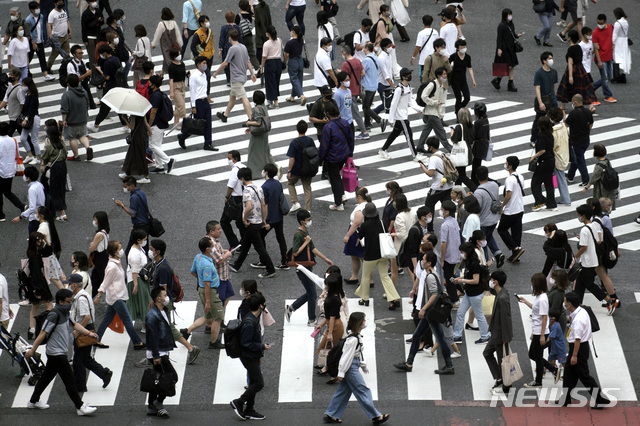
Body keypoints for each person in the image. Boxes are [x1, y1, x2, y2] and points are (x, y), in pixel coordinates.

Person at [25, 289, 98, 416]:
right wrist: (32, 350)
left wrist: (89, 333)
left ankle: (33, 401)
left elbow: (75, 325)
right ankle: (80, 406)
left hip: (59, 352)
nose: (70, 304)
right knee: (69, 380)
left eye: (71, 301)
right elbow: (43, 333)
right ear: (60, 302)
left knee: (46, 377)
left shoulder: (65, 312)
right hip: (56, 353)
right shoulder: (54, 315)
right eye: (68, 302)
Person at [394, 251, 455, 375]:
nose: (422, 261)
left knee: (440, 339)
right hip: (430, 312)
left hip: (431, 312)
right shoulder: (431, 274)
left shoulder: (431, 276)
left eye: (424, 259)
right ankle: (409, 363)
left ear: (429, 263)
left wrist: (423, 309)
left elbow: (434, 294)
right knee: (418, 336)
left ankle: (449, 366)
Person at [324, 312, 389, 424]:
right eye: (363, 320)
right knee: (363, 390)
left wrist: (363, 365)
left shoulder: (355, 336)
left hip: (352, 365)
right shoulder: (353, 339)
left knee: (343, 392)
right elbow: (346, 357)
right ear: (359, 323)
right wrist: (341, 372)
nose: (365, 322)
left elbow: (358, 354)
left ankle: (331, 414)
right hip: (350, 368)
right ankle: (375, 416)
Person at [557, 291, 611, 408]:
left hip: (578, 349)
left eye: (565, 302)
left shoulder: (578, 320)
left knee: (584, 376)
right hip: (580, 347)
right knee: (568, 374)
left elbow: (577, 340)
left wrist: (574, 355)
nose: (564, 304)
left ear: (570, 304)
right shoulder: (581, 311)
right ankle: (565, 399)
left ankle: (600, 399)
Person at [94, 240, 146, 349]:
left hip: (116, 296)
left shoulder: (116, 262)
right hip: (116, 297)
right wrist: (99, 295)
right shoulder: (112, 267)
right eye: (119, 249)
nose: (122, 250)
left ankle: (96, 339)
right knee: (127, 320)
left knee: (106, 320)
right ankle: (137, 342)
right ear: (114, 252)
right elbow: (105, 282)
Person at [286, 209, 334, 326]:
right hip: (302, 268)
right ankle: (311, 319)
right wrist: (306, 242)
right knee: (312, 293)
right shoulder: (299, 235)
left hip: (307, 268)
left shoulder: (305, 232)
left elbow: (313, 248)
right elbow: (296, 252)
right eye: (308, 220)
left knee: (310, 293)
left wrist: (325, 259)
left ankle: (292, 308)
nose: (310, 222)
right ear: (302, 222)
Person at [229, 167, 277, 278]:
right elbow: (264, 204)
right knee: (245, 244)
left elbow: (249, 206)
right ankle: (237, 265)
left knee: (259, 248)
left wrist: (244, 218)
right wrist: (264, 219)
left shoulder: (246, 190)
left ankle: (270, 269)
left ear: (242, 178)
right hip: (259, 221)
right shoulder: (259, 188)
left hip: (251, 223)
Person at [516, 273, 561, 388]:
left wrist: (542, 336)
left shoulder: (542, 299)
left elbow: (544, 317)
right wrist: (525, 302)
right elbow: (537, 310)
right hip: (537, 331)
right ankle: (553, 370)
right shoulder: (539, 297)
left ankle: (538, 381)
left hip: (540, 332)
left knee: (537, 356)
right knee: (533, 354)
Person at [354, 203, 402, 309]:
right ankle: (393, 297)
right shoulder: (382, 222)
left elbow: (360, 236)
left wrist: (358, 229)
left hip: (370, 255)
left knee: (365, 276)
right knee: (385, 276)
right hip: (382, 253)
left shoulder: (365, 225)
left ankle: (365, 299)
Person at [68, 274, 112, 392]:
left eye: (70, 284)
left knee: (78, 361)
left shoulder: (81, 298)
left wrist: (78, 331)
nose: (69, 286)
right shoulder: (83, 295)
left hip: (84, 330)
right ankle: (104, 373)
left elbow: (86, 317)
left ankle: (80, 386)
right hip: (86, 329)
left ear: (75, 285)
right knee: (85, 359)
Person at [181, 237, 226, 349]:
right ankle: (214, 342)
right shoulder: (207, 265)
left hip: (202, 289)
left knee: (208, 316)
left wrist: (200, 278)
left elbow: (192, 272)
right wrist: (208, 302)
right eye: (212, 245)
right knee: (218, 317)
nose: (214, 247)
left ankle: (187, 331)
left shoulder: (198, 257)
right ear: (207, 249)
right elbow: (207, 284)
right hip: (210, 292)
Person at [230, 293, 270, 421]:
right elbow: (246, 343)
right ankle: (239, 402)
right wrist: (262, 347)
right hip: (248, 356)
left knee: (253, 382)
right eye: (264, 303)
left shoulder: (253, 318)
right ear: (260, 306)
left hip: (252, 355)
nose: (265, 305)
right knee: (259, 383)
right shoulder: (250, 322)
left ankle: (249, 410)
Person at [144, 286, 178, 418]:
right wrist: (156, 355)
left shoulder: (163, 311)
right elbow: (151, 337)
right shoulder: (152, 316)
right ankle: (158, 402)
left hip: (162, 350)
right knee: (172, 377)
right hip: (158, 353)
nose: (167, 297)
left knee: (157, 379)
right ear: (158, 299)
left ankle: (151, 406)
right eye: (165, 295)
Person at [378, 68, 422, 161]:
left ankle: (383, 149)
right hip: (400, 117)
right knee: (409, 135)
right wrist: (391, 119)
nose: (410, 76)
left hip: (404, 115)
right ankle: (415, 155)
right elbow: (393, 104)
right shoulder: (399, 89)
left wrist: (419, 109)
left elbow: (411, 101)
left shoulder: (408, 87)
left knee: (394, 134)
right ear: (403, 77)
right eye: (408, 74)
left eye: (410, 74)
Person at [214, 29, 256, 122]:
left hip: (236, 78)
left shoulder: (232, 48)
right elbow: (248, 61)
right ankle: (225, 115)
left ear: (230, 38)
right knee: (232, 98)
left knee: (243, 98)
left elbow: (225, 63)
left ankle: (251, 118)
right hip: (242, 76)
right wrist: (252, 73)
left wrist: (216, 73)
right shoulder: (243, 47)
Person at [451, 241, 489, 344]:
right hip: (469, 293)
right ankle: (457, 335)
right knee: (460, 313)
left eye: (463, 251)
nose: (461, 253)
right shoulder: (469, 262)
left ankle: (485, 336)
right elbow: (469, 276)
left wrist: (461, 281)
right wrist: (459, 278)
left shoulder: (474, 264)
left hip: (475, 294)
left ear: (467, 252)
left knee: (479, 315)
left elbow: (475, 280)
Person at [482, 270, 513, 395]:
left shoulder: (502, 298)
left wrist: (506, 337)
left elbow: (506, 318)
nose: (490, 281)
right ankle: (500, 378)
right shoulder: (500, 293)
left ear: (496, 282)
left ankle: (506, 385)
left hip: (500, 335)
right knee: (488, 354)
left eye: (491, 279)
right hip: (496, 332)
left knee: (503, 360)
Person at [572, 204, 608, 307]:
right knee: (580, 284)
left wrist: (574, 257)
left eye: (578, 215)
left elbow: (584, 247)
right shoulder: (593, 225)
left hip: (587, 262)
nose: (578, 217)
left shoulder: (584, 230)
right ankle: (577, 305)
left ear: (583, 216)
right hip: (593, 260)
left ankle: (610, 301)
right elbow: (598, 240)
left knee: (588, 284)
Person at [320, 102, 354, 211]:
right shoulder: (344, 123)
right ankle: (342, 195)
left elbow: (324, 146)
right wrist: (350, 154)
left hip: (332, 157)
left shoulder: (328, 127)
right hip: (344, 154)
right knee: (337, 177)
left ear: (328, 113)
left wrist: (320, 160)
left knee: (334, 178)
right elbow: (351, 139)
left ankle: (338, 203)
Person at [178, 56, 215, 151]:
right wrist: (193, 106)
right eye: (203, 63)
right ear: (198, 65)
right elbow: (192, 92)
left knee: (208, 124)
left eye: (205, 63)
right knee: (197, 124)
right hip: (198, 103)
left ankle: (208, 144)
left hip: (205, 101)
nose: (205, 65)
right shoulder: (194, 76)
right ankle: (182, 136)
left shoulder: (204, 74)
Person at [419, 137, 454, 233]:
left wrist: (423, 167)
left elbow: (430, 173)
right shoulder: (442, 154)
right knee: (448, 206)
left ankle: (429, 229)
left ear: (430, 147)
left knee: (428, 207)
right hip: (448, 185)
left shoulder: (433, 158)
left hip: (438, 186)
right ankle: (452, 225)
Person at [556, 30, 596, 111]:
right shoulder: (579, 47)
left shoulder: (571, 49)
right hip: (581, 68)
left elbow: (570, 62)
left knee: (565, 87)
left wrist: (570, 76)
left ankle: (562, 107)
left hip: (572, 69)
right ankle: (590, 106)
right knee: (584, 87)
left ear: (569, 38)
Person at [258, 163, 288, 269]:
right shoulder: (277, 183)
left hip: (270, 217)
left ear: (266, 172)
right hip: (279, 215)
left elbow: (264, 205)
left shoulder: (264, 186)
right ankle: (285, 261)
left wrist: (264, 220)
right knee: (281, 238)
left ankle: (263, 260)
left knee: (260, 237)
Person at [498, 156, 526, 262]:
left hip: (511, 210)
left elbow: (508, 195)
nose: (505, 164)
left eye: (506, 163)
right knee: (516, 232)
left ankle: (516, 249)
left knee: (501, 229)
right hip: (519, 208)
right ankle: (516, 254)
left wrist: (502, 206)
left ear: (510, 166)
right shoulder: (520, 176)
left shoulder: (509, 179)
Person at [416, 67, 449, 155]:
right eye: (444, 74)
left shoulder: (441, 84)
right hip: (432, 113)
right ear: (438, 75)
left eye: (446, 74)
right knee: (441, 132)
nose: (445, 76)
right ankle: (450, 149)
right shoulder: (432, 84)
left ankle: (419, 147)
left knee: (426, 130)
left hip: (434, 113)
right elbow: (424, 96)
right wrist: (433, 102)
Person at [115, 176, 151, 255]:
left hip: (140, 226)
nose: (125, 189)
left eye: (126, 187)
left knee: (129, 250)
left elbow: (133, 214)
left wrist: (122, 205)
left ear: (132, 186)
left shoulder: (134, 197)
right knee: (144, 249)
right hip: (145, 224)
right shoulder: (141, 193)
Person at [147, 75, 175, 174]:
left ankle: (168, 160)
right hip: (162, 123)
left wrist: (149, 126)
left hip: (156, 124)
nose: (149, 84)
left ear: (153, 84)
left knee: (152, 145)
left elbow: (153, 112)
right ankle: (159, 166)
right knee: (157, 145)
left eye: (150, 82)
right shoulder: (160, 94)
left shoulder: (156, 96)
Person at [342, 187, 370, 285]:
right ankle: (354, 276)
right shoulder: (369, 205)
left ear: (358, 196)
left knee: (363, 257)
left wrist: (347, 235)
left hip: (357, 233)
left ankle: (369, 280)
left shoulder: (360, 208)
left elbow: (356, 223)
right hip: (363, 232)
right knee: (355, 255)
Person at [339, 48, 368, 140]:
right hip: (357, 88)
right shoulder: (357, 60)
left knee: (354, 111)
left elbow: (343, 77)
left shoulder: (345, 64)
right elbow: (363, 73)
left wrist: (339, 72)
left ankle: (364, 132)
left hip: (349, 90)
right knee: (352, 110)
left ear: (344, 53)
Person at [286, 120, 315, 212]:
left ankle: (295, 203)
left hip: (297, 169)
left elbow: (292, 158)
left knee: (290, 183)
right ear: (306, 129)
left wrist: (289, 171)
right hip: (308, 168)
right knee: (307, 188)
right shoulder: (310, 140)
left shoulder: (294, 142)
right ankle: (308, 209)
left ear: (297, 129)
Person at [61, 74, 92, 162]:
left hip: (72, 120)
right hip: (83, 118)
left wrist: (64, 120)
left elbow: (64, 110)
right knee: (83, 135)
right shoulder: (84, 92)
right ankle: (88, 147)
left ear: (68, 83)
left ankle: (76, 155)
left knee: (72, 138)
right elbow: (87, 104)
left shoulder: (66, 95)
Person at [40, 126, 68, 221]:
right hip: (62, 166)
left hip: (54, 166)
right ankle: (62, 212)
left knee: (53, 188)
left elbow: (45, 157)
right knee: (61, 187)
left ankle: (57, 211)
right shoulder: (61, 143)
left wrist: (43, 165)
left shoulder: (50, 145)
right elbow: (65, 153)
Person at [530, 52, 558, 147]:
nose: (551, 60)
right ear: (544, 61)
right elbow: (537, 88)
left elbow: (554, 86)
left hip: (552, 100)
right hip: (543, 99)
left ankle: (552, 139)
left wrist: (554, 97)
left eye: (551, 58)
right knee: (539, 120)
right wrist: (540, 102)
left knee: (555, 120)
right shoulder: (539, 73)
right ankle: (534, 139)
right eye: (549, 58)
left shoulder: (554, 72)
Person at [564, 94, 593, 186]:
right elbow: (590, 125)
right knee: (577, 158)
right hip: (586, 140)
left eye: (572, 102)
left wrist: (564, 118)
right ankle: (570, 176)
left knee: (580, 160)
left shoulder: (573, 113)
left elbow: (567, 125)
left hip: (576, 141)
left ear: (575, 102)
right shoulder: (588, 112)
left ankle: (586, 180)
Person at [530, 116, 558, 212]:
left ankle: (539, 202)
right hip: (551, 161)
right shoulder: (550, 135)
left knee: (535, 183)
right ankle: (551, 204)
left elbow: (542, 150)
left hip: (544, 161)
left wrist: (534, 157)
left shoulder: (541, 135)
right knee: (548, 183)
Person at [204, 222, 234, 309]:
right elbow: (219, 260)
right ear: (211, 232)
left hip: (223, 276)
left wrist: (222, 251)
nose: (220, 231)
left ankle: (220, 316)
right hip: (218, 277)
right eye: (218, 229)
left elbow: (216, 254)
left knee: (229, 294)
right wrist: (228, 254)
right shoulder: (210, 244)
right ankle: (218, 319)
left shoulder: (213, 241)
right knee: (220, 301)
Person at [491, 9, 522, 92]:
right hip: (505, 48)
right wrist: (499, 48)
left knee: (512, 65)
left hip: (511, 48)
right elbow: (499, 38)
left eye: (511, 14)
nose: (510, 16)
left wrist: (518, 35)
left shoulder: (511, 25)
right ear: (504, 15)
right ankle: (499, 80)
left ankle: (508, 82)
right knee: (508, 66)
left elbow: (512, 35)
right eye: (508, 14)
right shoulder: (501, 26)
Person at [125, 229, 151, 329]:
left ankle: (145, 324)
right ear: (138, 240)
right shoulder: (135, 253)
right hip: (138, 279)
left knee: (143, 302)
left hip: (141, 279)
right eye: (144, 239)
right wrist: (136, 285)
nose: (146, 241)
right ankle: (145, 326)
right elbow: (134, 270)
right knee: (144, 302)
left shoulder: (139, 248)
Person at [244, 90, 275, 175]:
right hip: (264, 133)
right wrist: (250, 128)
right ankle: (274, 168)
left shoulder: (256, 109)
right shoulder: (263, 107)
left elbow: (258, 122)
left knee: (253, 154)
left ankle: (253, 173)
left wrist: (248, 123)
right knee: (266, 152)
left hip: (257, 135)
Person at [0, 122, 25, 222]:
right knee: (7, 192)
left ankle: (1, 215)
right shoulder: (13, 140)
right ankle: (22, 206)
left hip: (1, 170)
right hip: (11, 169)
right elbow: (16, 153)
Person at [222, 150, 246, 250]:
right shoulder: (244, 167)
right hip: (245, 197)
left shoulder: (235, 170)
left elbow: (230, 186)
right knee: (241, 222)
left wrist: (227, 197)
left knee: (224, 221)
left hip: (236, 199)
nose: (228, 161)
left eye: (229, 159)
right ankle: (244, 244)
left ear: (235, 159)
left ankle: (236, 244)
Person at [439, 200, 461, 305]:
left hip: (448, 256)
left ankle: (455, 300)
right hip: (456, 253)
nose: (440, 211)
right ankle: (461, 290)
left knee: (449, 278)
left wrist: (442, 259)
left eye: (442, 209)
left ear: (446, 212)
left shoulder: (444, 226)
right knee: (452, 274)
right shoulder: (454, 221)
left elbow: (444, 243)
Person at [547, 107, 571, 205]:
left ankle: (565, 199)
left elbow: (554, 145)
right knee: (557, 177)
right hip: (564, 154)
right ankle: (558, 197)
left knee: (558, 178)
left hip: (557, 157)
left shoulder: (554, 131)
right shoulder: (564, 127)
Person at [361, 42, 387, 132]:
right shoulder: (375, 57)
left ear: (367, 49)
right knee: (367, 106)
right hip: (374, 84)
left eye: (364, 48)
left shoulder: (366, 60)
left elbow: (362, 72)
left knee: (365, 107)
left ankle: (380, 120)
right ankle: (367, 125)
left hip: (367, 85)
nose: (363, 49)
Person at [27, 2, 55, 81]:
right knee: (29, 58)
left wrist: (43, 39)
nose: (38, 9)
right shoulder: (28, 20)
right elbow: (28, 32)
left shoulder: (41, 16)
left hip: (40, 41)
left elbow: (41, 29)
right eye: (36, 8)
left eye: (38, 7)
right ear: (31, 10)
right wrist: (33, 42)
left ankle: (45, 74)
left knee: (42, 58)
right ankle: (25, 72)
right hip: (32, 42)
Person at [12, 165, 45, 234]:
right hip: (41, 215)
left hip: (34, 219)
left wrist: (20, 217)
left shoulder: (32, 190)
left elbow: (32, 208)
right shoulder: (39, 185)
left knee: (33, 239)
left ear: (28, 178)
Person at [581, 144, 616, 209]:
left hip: (601, 188)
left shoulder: (599, 165)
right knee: (606, 204)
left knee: (601, 205)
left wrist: (585, 188)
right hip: (608, 185)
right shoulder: (607, 160)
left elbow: (594, 178)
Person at [151, 7, 182, 77]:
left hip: (165, 46)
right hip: (174, 45)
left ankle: (173, 75)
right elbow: (178, 35)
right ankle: (161, 73)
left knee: (168, 59)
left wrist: (153, 44)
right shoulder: (174, 23)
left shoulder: (161, 24)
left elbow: (157, 35)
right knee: (168, 58)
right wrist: (180, 44)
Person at [592, 14, 616, 103]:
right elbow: (596, 48)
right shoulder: (595, 32)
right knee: (605, 78)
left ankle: (591, 88)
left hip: (609, 57)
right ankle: (608, 95)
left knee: (609, 77)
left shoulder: (611, 27)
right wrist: (599, 61)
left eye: (601, 23)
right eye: (598, 23)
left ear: (605, 21)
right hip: (601, 58)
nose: (599, 25)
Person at [450, 108, 475, 190]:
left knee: (461, 175)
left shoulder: (459, 127)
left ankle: (475, 189)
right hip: (467, 152)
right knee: (460, 173)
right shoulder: (471, 126)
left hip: (460, 153)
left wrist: (452, 133)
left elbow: (454, 140)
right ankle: (458, 191)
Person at [190, 15, 215, 96]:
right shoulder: (197, 34)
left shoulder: (210, 31)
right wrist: (198, 55)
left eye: (208, 21)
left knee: (207, 76)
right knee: (207, 75)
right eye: (205, 21)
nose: (207, 23)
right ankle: (205, 94)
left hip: (210, 57)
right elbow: (192, 47)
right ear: (201, 23)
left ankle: (206, 94)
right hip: (202, 59)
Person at [0, 68, 26, 139]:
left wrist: (21, 115)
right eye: (9, 74)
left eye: (11, 75)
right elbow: (5, 100)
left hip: (16, 117)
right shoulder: (10, 86)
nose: (9, 76)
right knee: (23, 136)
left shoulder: (19, 89)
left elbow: (22, 103)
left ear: (17, 77)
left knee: (8, 134)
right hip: (12, 115)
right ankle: (31, 149)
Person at [260, 26, 282, 108]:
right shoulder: (279, 40)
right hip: (278, 62)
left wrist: (261, 67)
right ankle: (270, 99)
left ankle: (275, 102)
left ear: (268, 34)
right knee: (276, 82)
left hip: (270, 63)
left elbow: (264, 56)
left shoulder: (266, 44)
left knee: (270, 82)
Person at [284, 25, 306, 105]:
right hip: (300, 60)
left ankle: (301, 96)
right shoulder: (301, 40)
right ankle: (292, 96)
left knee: (294, 79)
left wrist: (284, 62)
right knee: (298, 79)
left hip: (293, 61)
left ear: (293, 32)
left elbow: (286, 55)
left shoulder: (290, 43)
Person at [46, 0, 71, 72]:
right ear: (55, 3)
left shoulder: (63, 11)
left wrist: (70, 31)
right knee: (54, 54)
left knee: (67, 53)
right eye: (59, 3)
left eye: (62, 3)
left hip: (65, 35)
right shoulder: (52, 14)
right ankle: (48, 67)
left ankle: (66, 67)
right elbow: (49, 25)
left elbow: (67, 21)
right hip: (57, 37)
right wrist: (50, 35)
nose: (61, 4)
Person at [236, 0, 260, 72]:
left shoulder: (238, 16)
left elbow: (236, 27)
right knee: (252, 53)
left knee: (240, 54)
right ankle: (258, 68)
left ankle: (240, 69)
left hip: (241, 37)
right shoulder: (249, 16)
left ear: (239, 7)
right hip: (249, 36)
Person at [373, 38, 394, 116]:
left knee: (389, 103)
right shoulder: (381, 58)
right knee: (385, 104)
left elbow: (390, 70)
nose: (391, 48)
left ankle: (392, 120)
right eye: (389, 46)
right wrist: (391, 84)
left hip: (389, 83)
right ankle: (372, 114)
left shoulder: (389, 55)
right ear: (384, 47)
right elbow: (385, 73)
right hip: (382, 84)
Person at [80, 0, 104, 66]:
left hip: (98, 35)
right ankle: (94, 73)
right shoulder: (85, 14)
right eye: (92, 1)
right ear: (88, 3)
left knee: (100, 54)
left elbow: (102, 22)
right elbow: (85, 27)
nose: (94, 3)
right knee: (92, 56)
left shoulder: (98, 11)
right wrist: (84, 40)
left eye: (95, 1)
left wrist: (100, 21)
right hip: (90, 37)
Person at [168, 48, 187, 125]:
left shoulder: (182, 64)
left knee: (178, 106)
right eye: (178, 54)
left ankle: (176, 123)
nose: (180, 55)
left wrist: (187, 73)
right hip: (176, 86)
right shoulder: (171, 66)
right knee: (181, 106)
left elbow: (183, 72)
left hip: (182, 85)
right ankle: (169, 114)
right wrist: (171, 92)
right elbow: (171, 80)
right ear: (174, 56)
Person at [612, 8, 631, 84]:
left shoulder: (617, 23)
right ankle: (623, 76)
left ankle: (616, 77)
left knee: (616, 58)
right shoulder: (626, 22)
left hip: (618, 41)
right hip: (624, 41)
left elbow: (615, 35)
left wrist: (613, 43)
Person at [131, 24, 151, 89]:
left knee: (141, 77)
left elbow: (141, 53)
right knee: (143, 76)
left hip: (141, 62)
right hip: (148, 59)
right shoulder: (147, 38)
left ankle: (141, 90)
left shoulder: (140, 40)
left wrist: (134, 53)